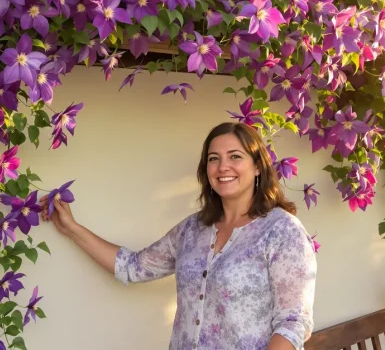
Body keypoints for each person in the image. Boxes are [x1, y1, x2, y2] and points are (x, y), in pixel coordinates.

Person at [40, 122, 317, 350]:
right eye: (214, 159)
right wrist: (72, 229)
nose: (223, 167)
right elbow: (132, 267)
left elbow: (293, 323)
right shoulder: (192, 229)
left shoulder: (282, 231)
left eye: (235, 156)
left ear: (257, 166)